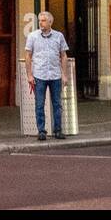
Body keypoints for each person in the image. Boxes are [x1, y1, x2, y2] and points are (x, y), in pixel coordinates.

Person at [25, 10, 70, 141]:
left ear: (50, 22)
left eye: (43, 21)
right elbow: (28, 55)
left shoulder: (59, 36)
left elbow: (63, 55)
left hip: (55, 74)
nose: (41, 23)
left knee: (57, 104)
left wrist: (64, 75)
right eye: (39, 21)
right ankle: (41, 131)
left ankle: (58, 130)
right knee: (39, 104)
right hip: (39, 74)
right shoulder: (33, 36)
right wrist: (29, 75)